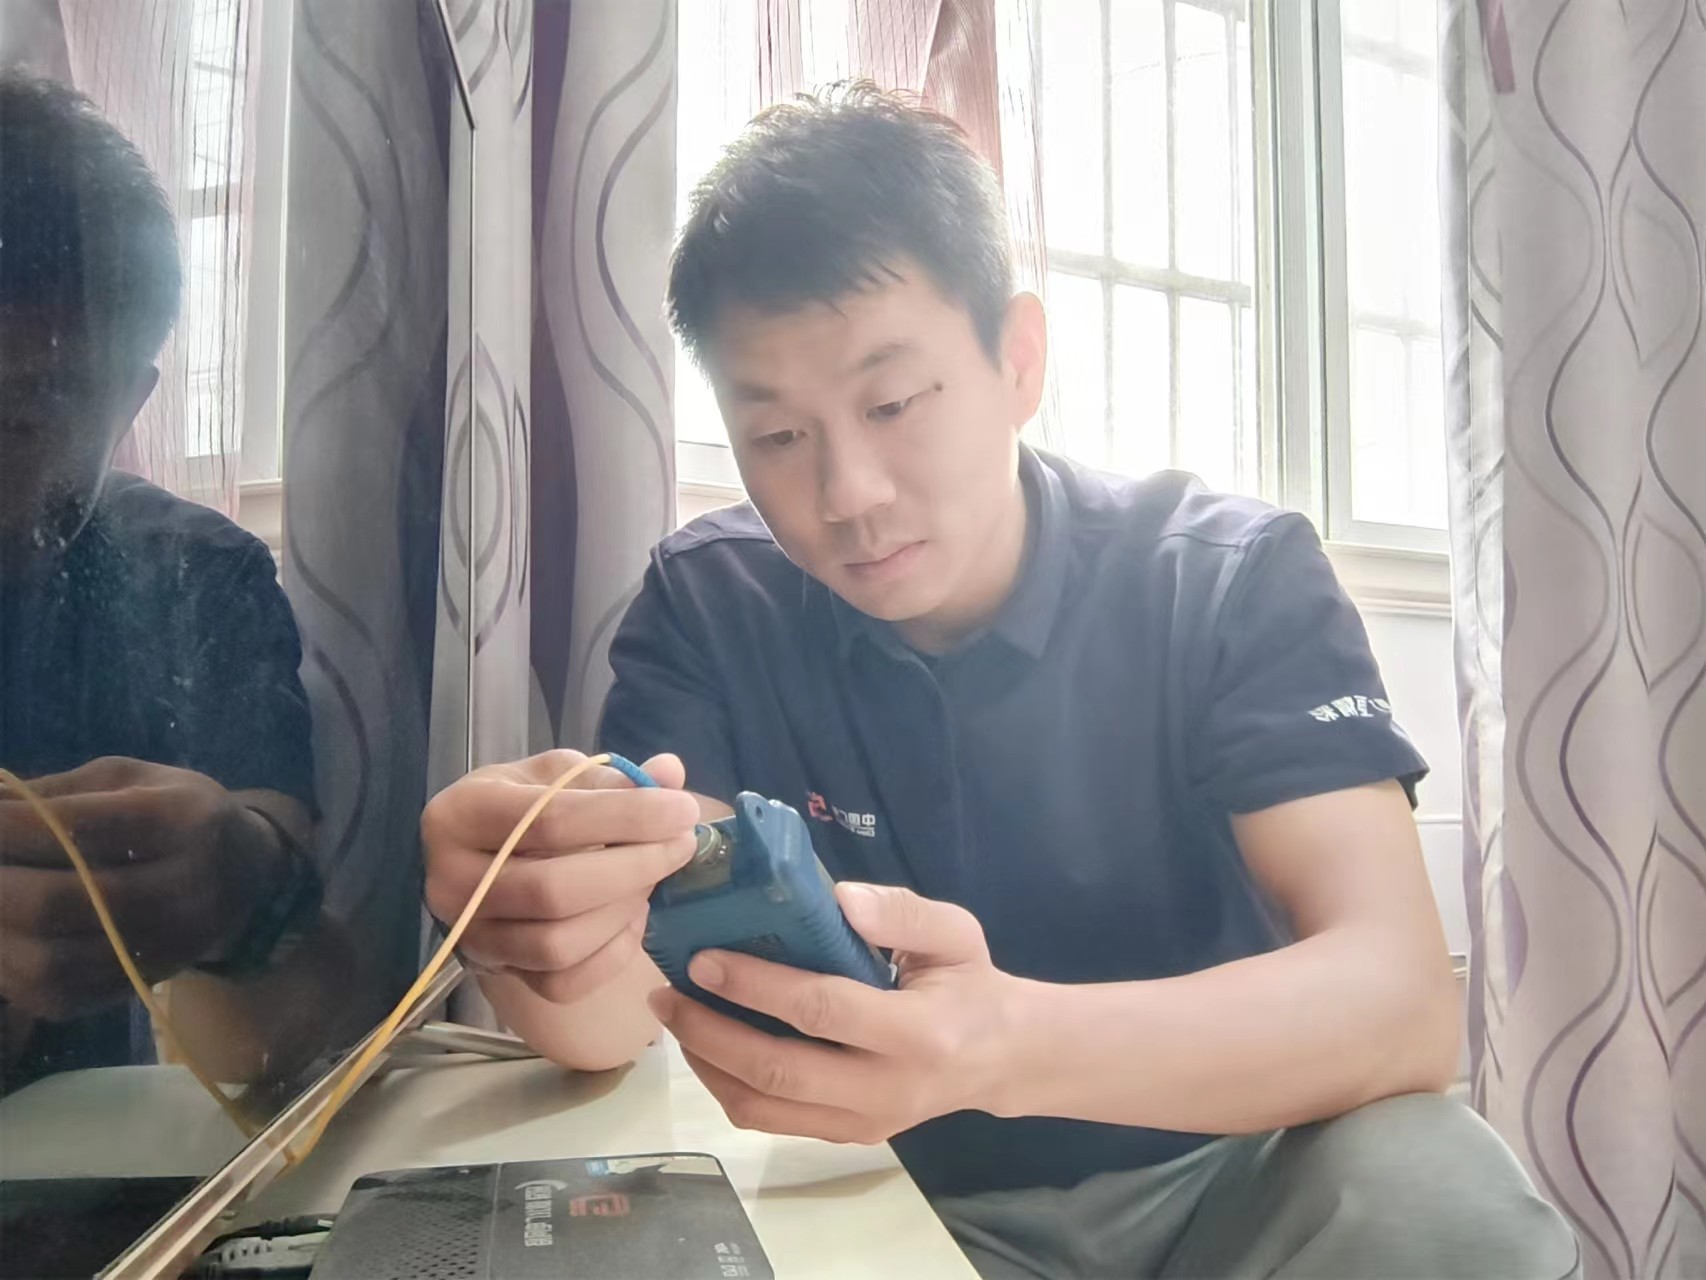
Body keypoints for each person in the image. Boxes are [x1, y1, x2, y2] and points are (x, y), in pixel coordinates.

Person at [422, 85, 1579, 1277]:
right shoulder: (712, 604)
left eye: (891, 403)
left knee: (1439, 1198)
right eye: (775, 436)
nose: (848, 491)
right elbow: (625, 1007)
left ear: (1017, 360)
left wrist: (1002, 1043)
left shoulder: (1227, 576)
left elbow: (1397, 1000)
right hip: (886, 1199)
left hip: (1232, 1176)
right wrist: (524, 928)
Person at [0, 74, 354, 1093]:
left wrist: (240, 892)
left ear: (126, 404)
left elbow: (279, 1035)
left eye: (30, 408)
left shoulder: (194, 577)